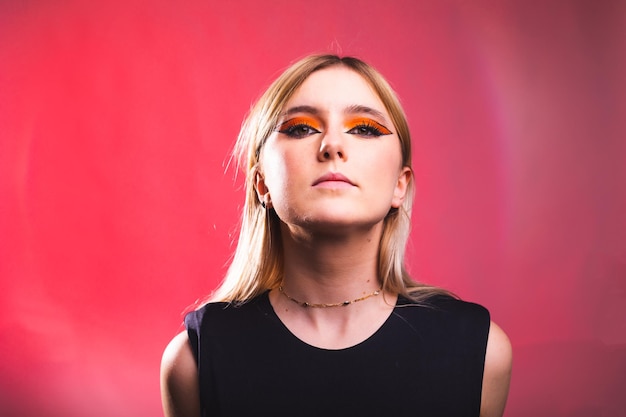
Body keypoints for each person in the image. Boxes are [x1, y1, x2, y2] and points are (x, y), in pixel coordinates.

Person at [160, 54, 512, 417]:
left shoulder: (481, 351)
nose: (332, 145)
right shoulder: (193, 361)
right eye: (301, 128)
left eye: (363, 128)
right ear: (261, 182)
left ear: (400, 186)